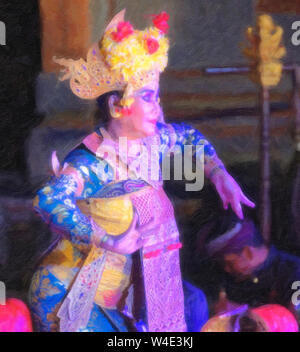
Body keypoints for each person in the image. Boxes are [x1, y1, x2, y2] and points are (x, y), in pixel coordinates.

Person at [28, 10, 254, 332]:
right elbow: (47, 200)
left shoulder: (156, 142)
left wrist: (219, 173)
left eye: (157, 97)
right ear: (116, 106)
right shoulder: (94, 162)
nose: (158, 108)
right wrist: (107, 239)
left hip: (123, 294)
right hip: (71, 294)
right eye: (147, 97)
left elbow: (189, 135)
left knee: (193, 307)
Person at [199, 214, 300, 325]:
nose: (227, 269)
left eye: (229, 263)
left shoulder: (295, 273)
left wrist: (244, 313)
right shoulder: (233, 277)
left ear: (248, 253)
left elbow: (295, 322)